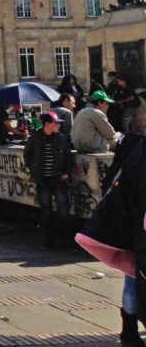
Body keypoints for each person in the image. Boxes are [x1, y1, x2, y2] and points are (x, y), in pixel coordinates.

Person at [75, 135, 146, 344]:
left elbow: (123, 190)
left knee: (132, 278)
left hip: (134, 228)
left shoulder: (138, 149)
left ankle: (129, 331)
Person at [24, 112, 73, 249]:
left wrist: (66, 173)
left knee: (64, 210)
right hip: (43, 180)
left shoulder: (62, 139)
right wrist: (34, 171)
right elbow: (27, 155)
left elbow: (68, 158)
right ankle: (49, 242)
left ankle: (65, 242)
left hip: (58, 179)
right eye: (56, 123)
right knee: (46, 211)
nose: (58, 125)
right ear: (47, 124)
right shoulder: (35, 138)